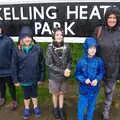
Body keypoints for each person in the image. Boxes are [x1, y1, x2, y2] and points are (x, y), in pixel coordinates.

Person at [93, 6, 120, 120]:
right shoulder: (99, 30)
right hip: (97, 70)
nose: (112, 20)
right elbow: (91, 48)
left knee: (109, 94)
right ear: (106, 18)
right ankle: (90, 111)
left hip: (113, 70)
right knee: (93, 92)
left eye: (114, 17)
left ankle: (105, 113)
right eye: (110, 17)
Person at [12, 26, 45, 119]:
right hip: (23, 78)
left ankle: (35, 107)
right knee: (26, 95)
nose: (27, 39)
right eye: (24, 37)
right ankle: (26, 108)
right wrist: (15, 79)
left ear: (32, 38)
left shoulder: (38, 49)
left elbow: (42, 64)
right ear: (21, 39)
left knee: (34, 94)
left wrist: (41, 77)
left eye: (29, 37)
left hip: (34, 77)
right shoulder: (17, 50)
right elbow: (13, 65)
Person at [75, 37, 105, 120]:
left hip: (95, 89)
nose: (92, 50)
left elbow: (101, 72)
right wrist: (84, 79)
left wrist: (97, 79)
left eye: (94, 48)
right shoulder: (81, 61)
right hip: (84, 90)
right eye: (90, 48)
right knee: (81, 108)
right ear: (86, 48)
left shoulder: (99, 61)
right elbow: (77, 74)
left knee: (91, 107)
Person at [46, 27, 72, 120]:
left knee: (62, 93)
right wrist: (63, 71)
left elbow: (69, 60)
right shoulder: (49, 48)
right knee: (55, 93)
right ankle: (55, 108)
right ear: (53, 36)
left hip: (64, 76)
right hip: (54, 76)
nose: (59, 36)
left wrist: (68, 68)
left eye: (61, 34)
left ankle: (61, 109)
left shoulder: (67, 47)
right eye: (57, 34)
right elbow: (49, 64)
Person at [0, 22, 17, 110]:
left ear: (1, 29)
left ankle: (14, 100)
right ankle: (2, 98)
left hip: (8, 70)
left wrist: (12, 66)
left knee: (11, 86)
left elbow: (14, 54)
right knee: (1, 85)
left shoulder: (8, 40)